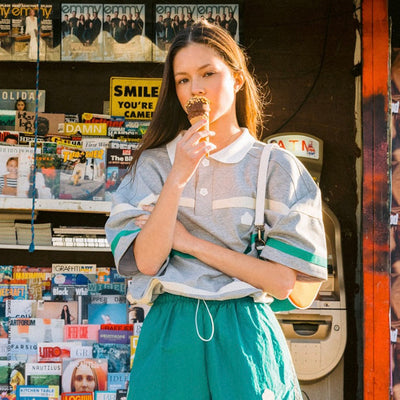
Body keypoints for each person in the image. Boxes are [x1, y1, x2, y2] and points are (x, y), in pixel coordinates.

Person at [105, 21, 327, 400]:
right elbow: (146, 260)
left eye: (209, 73)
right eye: (183, 80)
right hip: (170, 329)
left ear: (237, 79)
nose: (197, 88)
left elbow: (283, 283)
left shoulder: (275, 167)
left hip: (245, 330)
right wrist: (178, 174)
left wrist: (191, 244)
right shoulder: (154, 165)